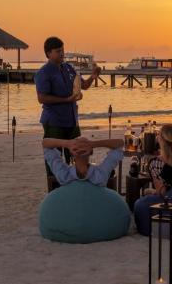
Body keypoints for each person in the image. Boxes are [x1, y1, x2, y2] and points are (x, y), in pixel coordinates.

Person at [35, 36, 101, 173]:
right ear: (48, 53)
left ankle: (74, 183)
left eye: (63, 50)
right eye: (58, 51)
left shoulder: (68, 68)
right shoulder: (44, 72)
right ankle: (54, 186)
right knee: (54, 160)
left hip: (72, 121)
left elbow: (84, 85)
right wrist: (66, 100)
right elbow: (42, 98)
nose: (62, 53)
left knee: (78, 157)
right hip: (54, 121)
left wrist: (93, 76)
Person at [42, 137, 124, 186]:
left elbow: (120, 143)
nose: (80, 147)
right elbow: (45, 143)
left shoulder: (64, 175)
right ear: (71, 153)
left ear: (91, 151)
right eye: (76, 146)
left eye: (85, 144)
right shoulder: (100, 175)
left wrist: (93, 144)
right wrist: (67, 143)